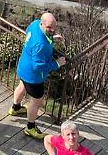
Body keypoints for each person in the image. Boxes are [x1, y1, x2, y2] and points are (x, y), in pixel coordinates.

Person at [9, 11, 67, 140]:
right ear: (42, 24)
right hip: (34, 77)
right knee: (36, 101)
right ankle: (30, 127)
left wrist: (51, 38)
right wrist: (57, 64)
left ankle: (15, 108)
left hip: (23, 67)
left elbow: (34, 35)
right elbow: (38, 66)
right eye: (49, 28)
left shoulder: (35, 25)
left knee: (22, 86)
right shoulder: (41, 45)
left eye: (54, 27)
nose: (52, 30)